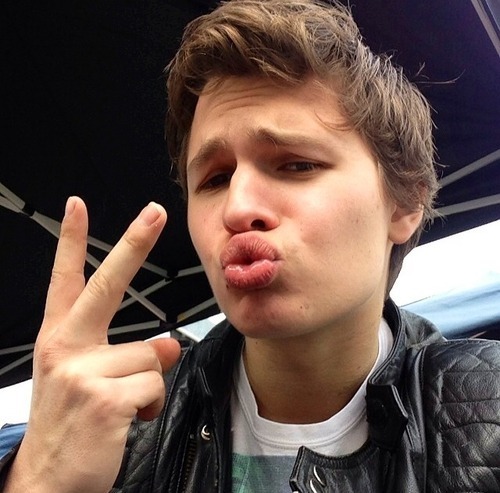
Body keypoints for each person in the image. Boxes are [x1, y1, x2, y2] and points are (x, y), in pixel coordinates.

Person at [1, 0, 500, 491]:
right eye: (215, 179)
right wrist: (38, 480)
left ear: (404, 204)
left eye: (296, 164)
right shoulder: (115, 432)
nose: (237, 208)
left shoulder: (486, 414)